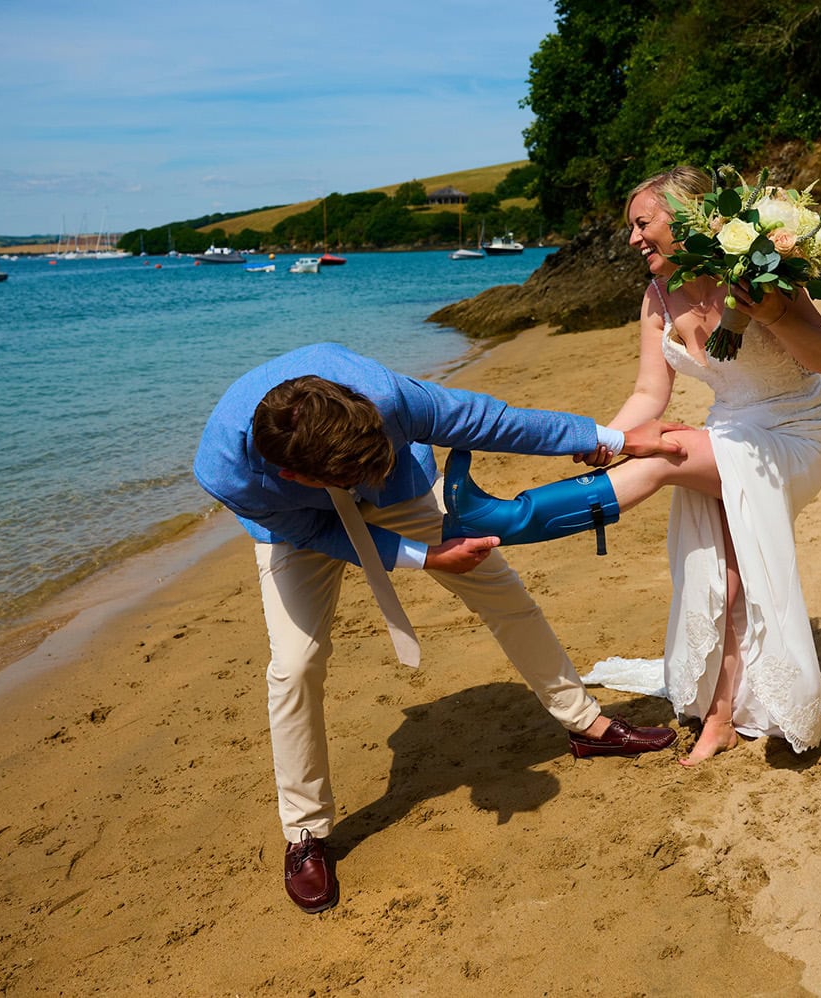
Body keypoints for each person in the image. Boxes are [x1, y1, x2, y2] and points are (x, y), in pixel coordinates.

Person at [193, 342, 686, 914]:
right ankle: (305, 832)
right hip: (300, 525)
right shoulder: (227, 473)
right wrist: (424, 558)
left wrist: (616, 440)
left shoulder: (386, 397)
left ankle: (585, 725)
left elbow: (493, 421)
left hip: (395, 484)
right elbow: (323, 533)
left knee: (504, 594)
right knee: (295, 664)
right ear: (289, 472)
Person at [444, 165, 821, 767]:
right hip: (732, 434)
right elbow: (647, 396)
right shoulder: (656, 300)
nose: (632, 239)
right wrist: (611, 436)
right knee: (728, 570)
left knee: (667, 454)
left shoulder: (761, 275)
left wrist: (771, 312)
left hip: (796, 432)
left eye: (642, 223)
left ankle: (511, 517)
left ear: (685, 221)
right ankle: (721, 715)